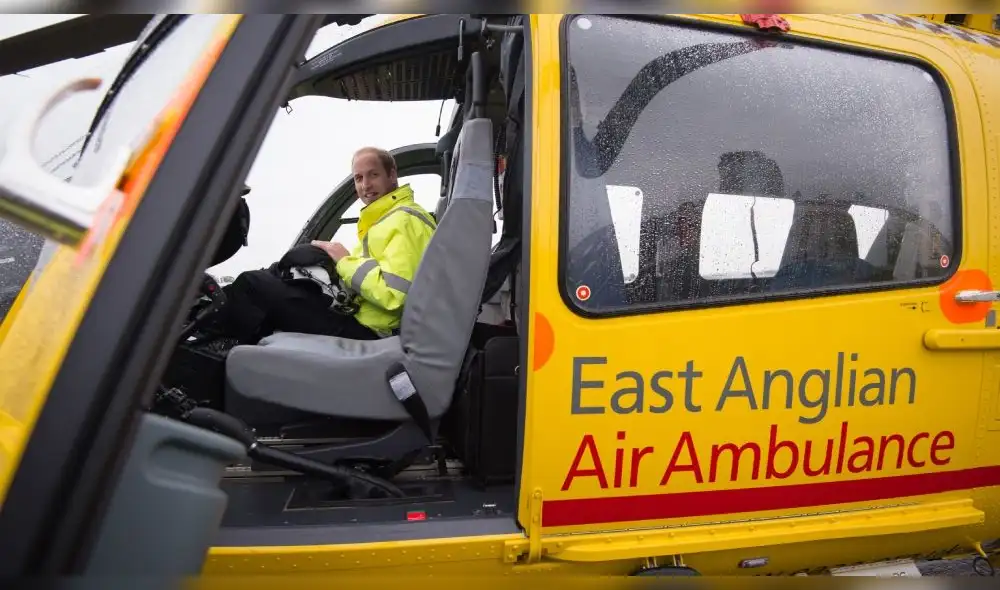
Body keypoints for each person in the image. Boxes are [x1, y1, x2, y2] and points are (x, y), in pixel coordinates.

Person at [206, 147, 436, 344]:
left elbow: (394, 295)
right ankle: (213, 314)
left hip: (371, 331)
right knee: (288, 268)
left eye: (373, 175)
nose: (366, 185)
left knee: (253, 284)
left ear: (392, 175)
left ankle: (208, 339)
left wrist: (344, 260)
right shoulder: (386, 219)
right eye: (359, 178)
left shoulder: (405, 220)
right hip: (361, 317)